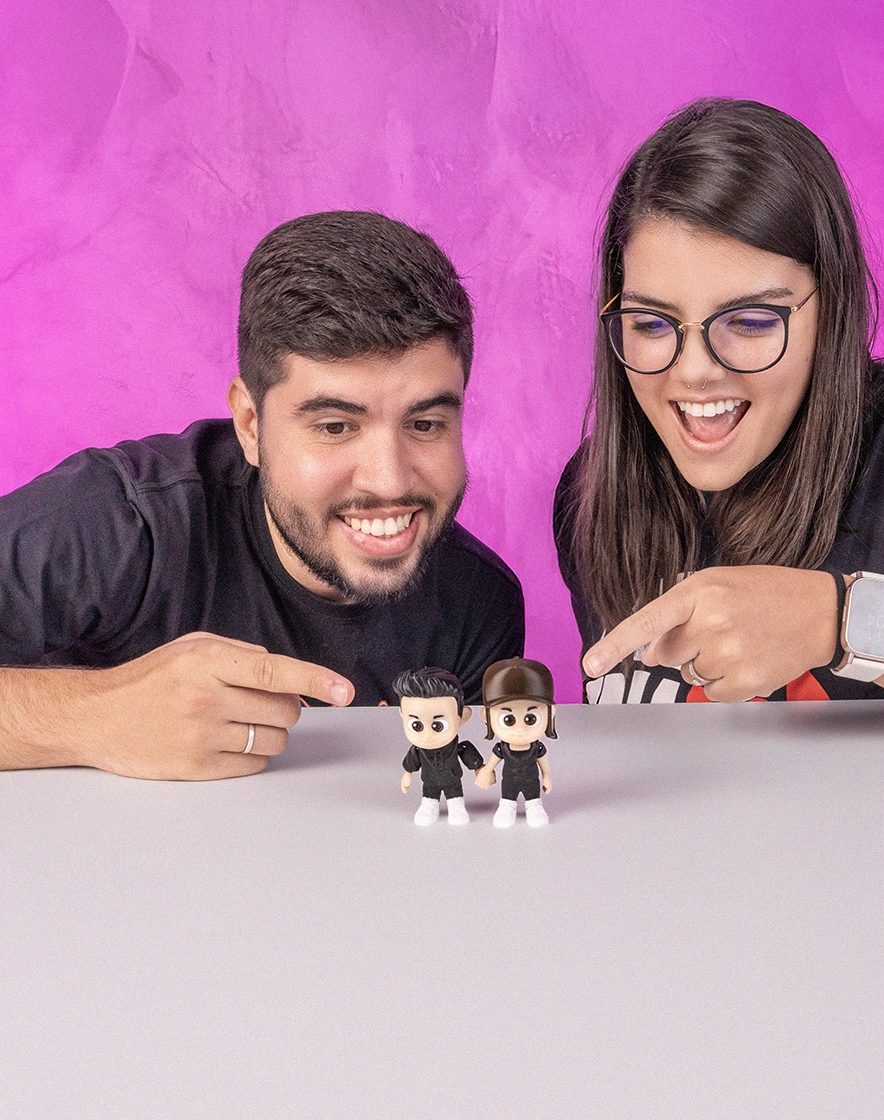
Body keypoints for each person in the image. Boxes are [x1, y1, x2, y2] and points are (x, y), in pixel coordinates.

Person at [554, 99, 884, 745]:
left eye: (750, 321)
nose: (693, 372)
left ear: (830, 310)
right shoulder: (593, 488)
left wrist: (838, 620)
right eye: (652, 323)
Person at [0, 211, 524, 779]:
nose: (390, 481)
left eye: (424, 424)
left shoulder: (478, 603)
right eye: (334, 427)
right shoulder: (118, 519)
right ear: (250, 425)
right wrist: (98, 717)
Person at [395, 667, 485, 827]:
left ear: (462, 717)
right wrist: (407, 775)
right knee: (429, 798)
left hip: (452, 779)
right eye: (416, 725)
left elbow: (467, 753)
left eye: (438, 726)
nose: (427, 735)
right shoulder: (418, 750)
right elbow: (412, 762)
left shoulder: (457, 747)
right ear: (402, 714)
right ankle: (429, 806)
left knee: (455, 798)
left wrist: (479, 769)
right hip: (429, 781)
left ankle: (456, 806)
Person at [475, 657, 555, 827]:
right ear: (486, 717)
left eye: (531, 719)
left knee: (533, 799)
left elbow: (542, 761)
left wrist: (547, 775)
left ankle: (534, 807)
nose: (520, 729)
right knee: (507, 799)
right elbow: (493, 761)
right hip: (509, 781)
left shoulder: (537, 747)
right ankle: (506, 807)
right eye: (508, 720)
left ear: (550, 714)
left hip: (532, 780)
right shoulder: (502, 748)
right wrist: (486, 770)